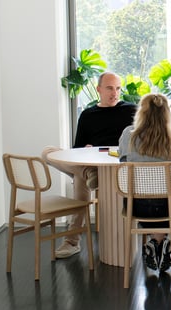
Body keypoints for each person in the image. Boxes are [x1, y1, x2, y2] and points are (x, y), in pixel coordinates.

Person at [42, 72, 136, 258]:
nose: (114, 93)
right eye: (109, 88)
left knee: (80, 179)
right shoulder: (87, 114)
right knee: (47, 151)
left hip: (119, 164)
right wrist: (85, 149)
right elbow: (76, 150)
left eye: (118, 88)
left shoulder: (131, 110)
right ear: (99, 89)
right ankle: (88, 173)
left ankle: (72, 242)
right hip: (93, 164)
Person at [118, 93, 171, 272]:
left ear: (141, 113)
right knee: (166, 198)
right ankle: (159, 242)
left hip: (135, 205)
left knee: (148, 199)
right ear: (166, 114)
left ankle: (156, 242)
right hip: (167, 206)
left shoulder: (127, 134)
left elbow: (123, 160)